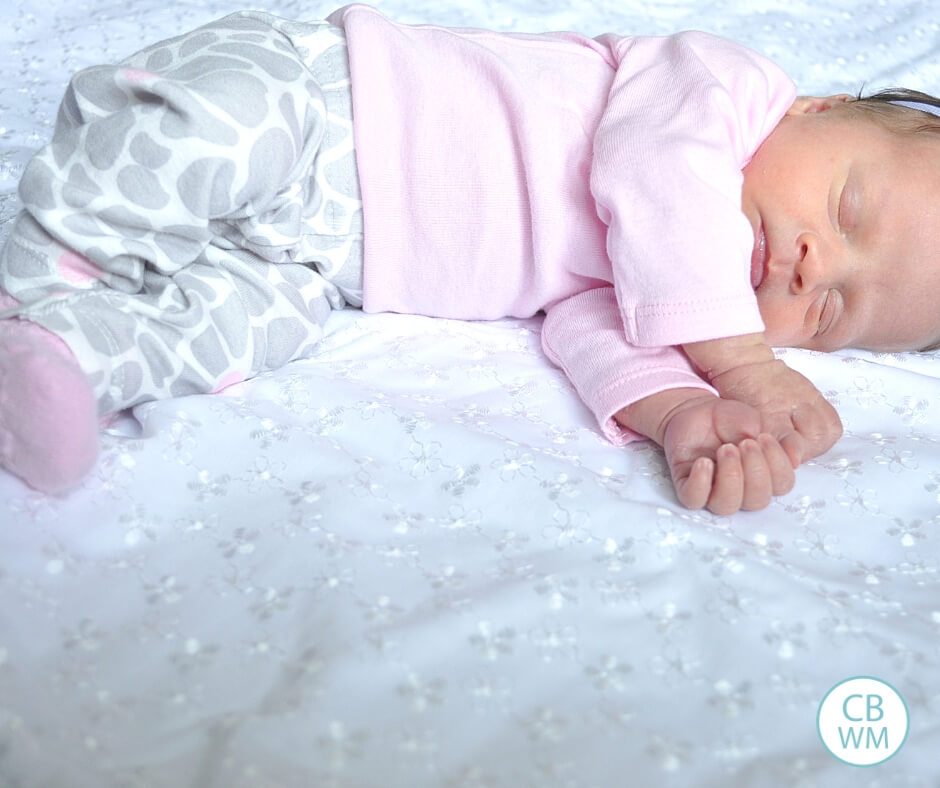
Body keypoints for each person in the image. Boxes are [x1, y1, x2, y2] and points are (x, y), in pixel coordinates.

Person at [0, 5, 938, 513]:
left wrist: (690, 411)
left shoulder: (670, 295)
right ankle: (40, 282)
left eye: (834, 312)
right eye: (848, 207)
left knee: (258, 329)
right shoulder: (722, 89)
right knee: (211, 139)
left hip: (319, 266)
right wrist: (745, 361)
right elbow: (656, 173)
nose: (817, 265)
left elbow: (592, 329)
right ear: (814, 109)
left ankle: (69, 363)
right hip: (314, 99)